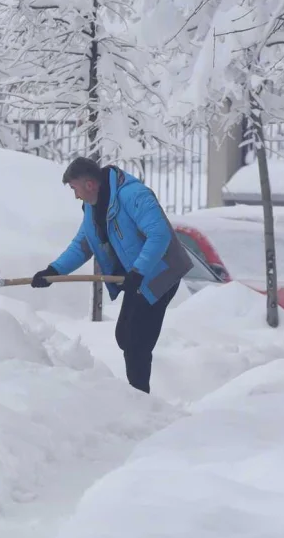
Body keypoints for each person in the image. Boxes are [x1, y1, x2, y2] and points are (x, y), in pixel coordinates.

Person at [31, 157, 192, 394]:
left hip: (161, 273)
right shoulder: (92, 206)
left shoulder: (133, 195)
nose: (75, 196)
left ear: (89, 184)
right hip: (137, 277)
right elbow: (83, 244)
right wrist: (54, 271)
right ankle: (139, 396)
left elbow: (159, 235)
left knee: (136, 341)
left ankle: (140, 398)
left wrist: (139, 270)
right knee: (125, 336)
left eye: (75, 188)